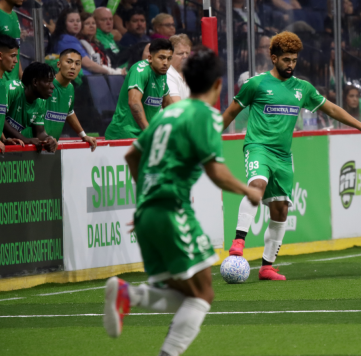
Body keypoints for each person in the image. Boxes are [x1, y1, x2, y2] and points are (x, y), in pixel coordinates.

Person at [103, 48, 263, 356]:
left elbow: (132, 156)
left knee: (186, 293)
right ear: (218, 85)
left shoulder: (167, 114)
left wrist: (145, 204)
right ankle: (135, 303)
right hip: (171, 209)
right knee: (203, 295)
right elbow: (215, 171)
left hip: (150, 211)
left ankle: (131, 296)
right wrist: (248, 190)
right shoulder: (204, 116)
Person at [222, 32, 361, 280]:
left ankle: (267, 266)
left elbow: (331, 108)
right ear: (273, 57)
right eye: (286, 59)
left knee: (280, 211)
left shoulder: (303, 88)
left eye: (294, 60)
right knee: (256, 185)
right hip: (258, 147)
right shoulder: (255, 84)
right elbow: (230, 113)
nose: (290, 64)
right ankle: (238, 241)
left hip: (283, 155)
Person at [105, 39, 173, 140]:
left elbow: (168, 104)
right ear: (150, 58)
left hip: (142, 136)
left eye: (169, 58)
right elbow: (134, 102)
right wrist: (149, 133)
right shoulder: (140, 70)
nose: (165, 63)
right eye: (161, 58)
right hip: (123, 135)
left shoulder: (162, 73)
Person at [44, 48, 97, 150]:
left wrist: (83, 135)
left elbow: (69, 112)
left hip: (51, 146)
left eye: (77, 64)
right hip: (34, 145)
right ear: (58, 64)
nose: (73, 67)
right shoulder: (46, 85)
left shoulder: (70, 88)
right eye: (69, 62)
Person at [3, 62, 58, 152]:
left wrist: (48, 139)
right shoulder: (12, 89)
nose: (52, 86)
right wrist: (25, 139)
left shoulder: (41, 101)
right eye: (48, 82)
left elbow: (40, 132)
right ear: (35, 82)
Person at [50, 9, 118, 75]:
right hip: (82, 82)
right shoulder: (67, 39)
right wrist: (111, 72)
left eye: (78, 21)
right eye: (71, 21)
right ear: (63, 24)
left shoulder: (69, 38)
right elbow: (88, 64)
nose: (76, 24)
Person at [0, 35, 23, 152]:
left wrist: (3, 139)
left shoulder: (2, 84)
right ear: (0, 55)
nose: (16, 61)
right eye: (12, 56)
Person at [0, 0, 23, 81]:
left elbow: (15, 52)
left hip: (14, 82)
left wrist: (21, 76)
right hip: (0, 84)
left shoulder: (14, 15)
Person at [167, 34, 191, 103]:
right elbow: (176, 105)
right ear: (169, 55)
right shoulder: (167, 74)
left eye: (187, 53)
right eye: (180, 53)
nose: (185, 57)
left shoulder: (188, 74)